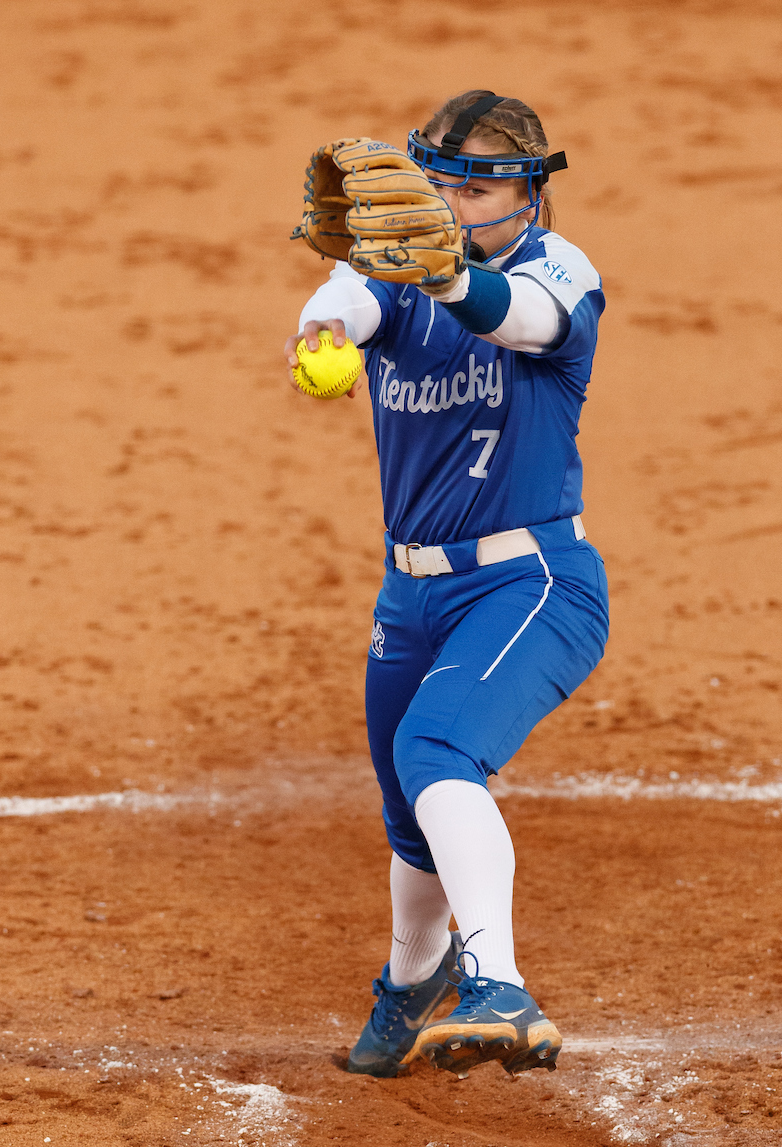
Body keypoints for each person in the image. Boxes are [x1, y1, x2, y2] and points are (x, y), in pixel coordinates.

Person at [285, 91, 609, 1080]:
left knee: (435, 749)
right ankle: (410, 981)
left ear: (528, 191)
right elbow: (344, 300)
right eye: (445, 180)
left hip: (532, 581)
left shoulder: (560, 272)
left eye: (483, 182)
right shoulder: (390, 280)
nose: (458, 200)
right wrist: (320, 334)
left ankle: (499, 986)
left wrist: (446, 274)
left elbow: (523, 318)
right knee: (410, 813)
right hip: (410, 597)